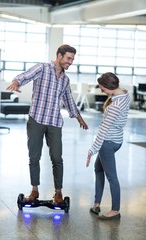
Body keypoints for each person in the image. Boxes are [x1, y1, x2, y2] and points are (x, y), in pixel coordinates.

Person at [7, 44, 88, 204]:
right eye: (68, 58)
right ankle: (34, 190)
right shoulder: (42, 68)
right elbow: (25, 76)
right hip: (36, 119)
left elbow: (68, 99)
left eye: (72, 59)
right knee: (34, 157)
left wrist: (78, 116)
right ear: (59, 56)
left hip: (54, 122)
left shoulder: (65, 79)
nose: (70, 62)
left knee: (57, 158)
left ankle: (58, 192)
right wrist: (16, 82)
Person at [86, 72, 130, 220]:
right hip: (117, 140)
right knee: (98, 169)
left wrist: (91, 150)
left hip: (108, 142)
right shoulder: (124, 95)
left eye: (103, 88)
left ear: (109, 87)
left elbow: (103, 131)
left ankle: (115, 210)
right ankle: (96, 203)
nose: (102, 91)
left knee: (112, 177)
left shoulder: (114, 106)